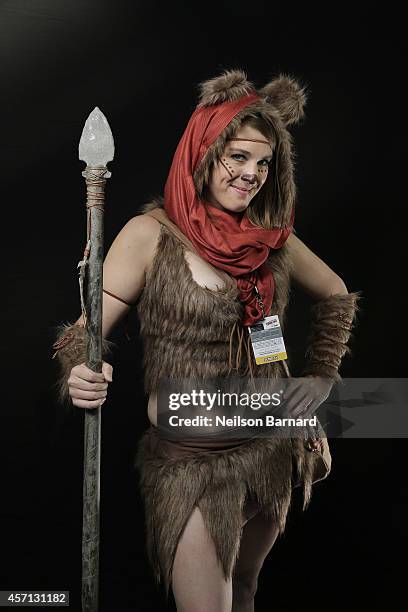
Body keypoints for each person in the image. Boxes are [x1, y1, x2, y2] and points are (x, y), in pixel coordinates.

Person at [52, 69, 362, 612]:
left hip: (271, 445)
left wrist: (319, 383)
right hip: (194, 457)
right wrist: (81, 369)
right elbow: (83, 336)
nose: (252, 175)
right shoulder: (150, 234)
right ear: (204, 152)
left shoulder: (271, 238)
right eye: (238, 157)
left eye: (264, 162)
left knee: (245, 590)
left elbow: (336, 293)